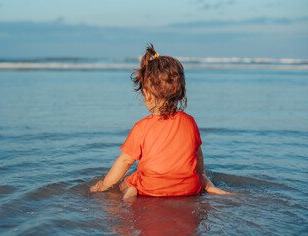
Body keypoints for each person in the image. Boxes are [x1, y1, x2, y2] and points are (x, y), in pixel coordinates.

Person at [90, 44, 231, 200]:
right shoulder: (190, 122)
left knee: (127, 181)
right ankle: (211, 187)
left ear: (147, 94)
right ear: (182, 93)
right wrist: (201, 173)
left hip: (151, 188)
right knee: (201, 176)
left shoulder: (141, 127)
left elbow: (124, 161)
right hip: (188, 188)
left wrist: (103, 185)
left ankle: (130, 191)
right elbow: (198, 154)